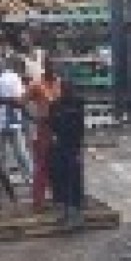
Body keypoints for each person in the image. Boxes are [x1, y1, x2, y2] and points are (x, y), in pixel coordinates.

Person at [25, 58, 64, 212]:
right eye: (49, 66)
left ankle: (57, 197)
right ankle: (38, 201)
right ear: (45, 67)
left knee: (57, 163)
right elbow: (21, 102)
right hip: (43, 127)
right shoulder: (36, 84)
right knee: (42, 164)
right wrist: (32, 117)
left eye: (54, 66)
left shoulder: (59, 82)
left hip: (58, 127)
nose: (52, 69)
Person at [0, 57, 32, 179]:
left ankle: (31, 177)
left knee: (21, 152)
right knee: (0, 156)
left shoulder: (13, 76)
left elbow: (20, 99)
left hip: (13, 119)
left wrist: (2, 100)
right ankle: (4, 183)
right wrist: (4, 100)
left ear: (2, 63)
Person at [50, 78, 87, 228]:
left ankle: (76, 215)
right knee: (62, 179)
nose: (66, 91)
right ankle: (66, 213)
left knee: (75, 180)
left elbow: (80, 128)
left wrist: (78, 149)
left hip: (73, 147)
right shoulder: (55, 105)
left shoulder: (78, 104)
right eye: (64, 88)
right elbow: (52, 126)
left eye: (68, 88)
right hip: (60, 146)